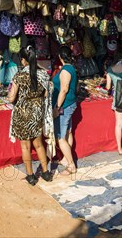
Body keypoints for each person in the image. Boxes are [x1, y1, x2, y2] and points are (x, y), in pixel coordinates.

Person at [7, 46, 53, 186]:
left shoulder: (19, 76)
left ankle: (31, 176)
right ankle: (45, 172)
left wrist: (10, 96)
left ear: (23, 60)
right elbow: (46, 94)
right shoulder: (43, 74)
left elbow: (11, 97)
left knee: (25, 146)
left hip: (22, 113)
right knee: (38, 144)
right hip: (37, 113)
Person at [52, 46, 78, 176]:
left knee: (60, 137)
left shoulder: (66, 70)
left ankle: (71, 165)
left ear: (60, 57)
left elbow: (64, 89)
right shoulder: (71, 68)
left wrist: (57, 107)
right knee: (68, 132)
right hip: (69, 104)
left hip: (65, 105)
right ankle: (66, 159)